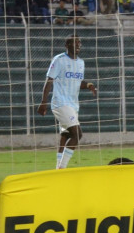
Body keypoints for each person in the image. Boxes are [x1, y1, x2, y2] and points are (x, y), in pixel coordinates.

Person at [37, 35, 98, 169]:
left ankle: (58, 167)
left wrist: (88, 85)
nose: (78, 45)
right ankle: (62, 168)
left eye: (79, 43)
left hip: (73, 105)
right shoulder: (59, 60)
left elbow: (77, 82)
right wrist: (43, 102)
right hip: (60, 103)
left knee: (66, 135)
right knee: (77, 134)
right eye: (74, 43)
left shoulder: (81, 63)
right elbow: (49, 80)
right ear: (67, 45)